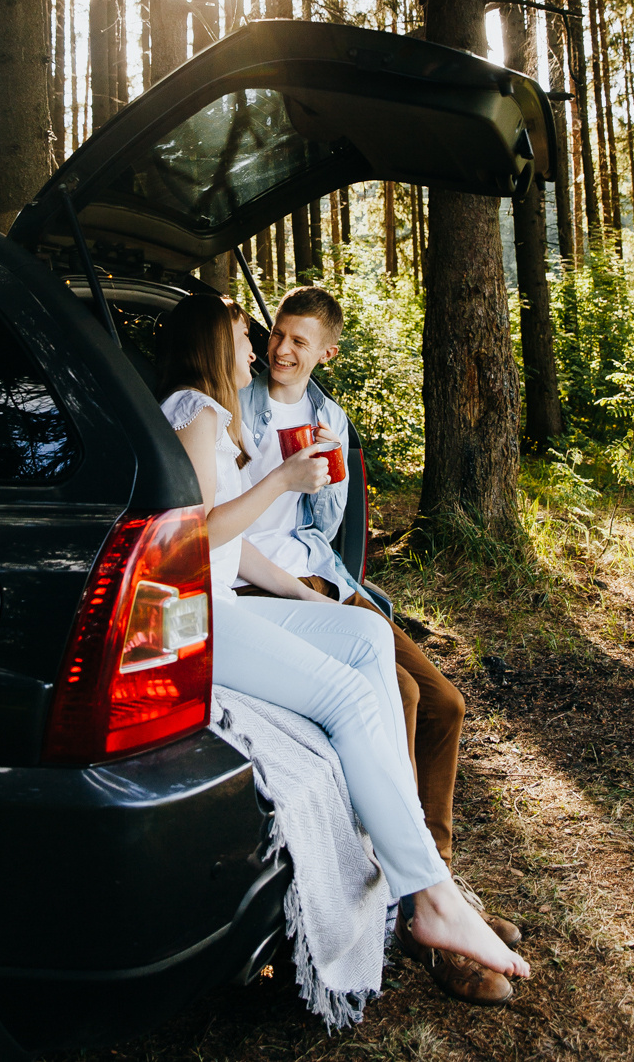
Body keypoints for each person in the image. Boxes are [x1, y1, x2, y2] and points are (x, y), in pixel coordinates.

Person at [155, 293, 529, 990]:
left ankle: (417, 871)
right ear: (215, 347)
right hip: (203, 616)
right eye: (246, 339)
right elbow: (199, 534)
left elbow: (243, 547)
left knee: (365, 635)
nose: (258, 350)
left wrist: (312, 595)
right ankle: (426, 893)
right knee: (354, 695)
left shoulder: (236, 415)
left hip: (248, 593)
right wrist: (281, 480)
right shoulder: (198, 413)